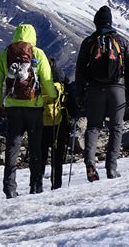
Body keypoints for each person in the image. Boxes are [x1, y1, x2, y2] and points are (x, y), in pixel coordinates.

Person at [0, 23, 57, 199]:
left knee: (12, 146)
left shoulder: (6, 54)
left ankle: (9, 187)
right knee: (36, 147)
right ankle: (36, 186)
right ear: (33, 37)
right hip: (34, 107)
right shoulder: (38, 53)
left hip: (13, 107)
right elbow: (47, 81)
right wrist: (53, 95)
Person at [75, 5, 129, 181]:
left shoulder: (88, 42)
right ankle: (111, 169)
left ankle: (90, 162)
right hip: (117, 90)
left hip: (94, 90)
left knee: (93, 127)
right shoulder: (121, 41)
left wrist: (80, 95)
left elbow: (80, 71)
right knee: (116, 128)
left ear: (96, 22)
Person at [41, 58, 70, 190]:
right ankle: (56, 184)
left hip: (40, 121)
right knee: (57, 155)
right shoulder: (60, 77)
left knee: (40, 154)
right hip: (59, 121)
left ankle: (36, 184)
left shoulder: (38, 79)